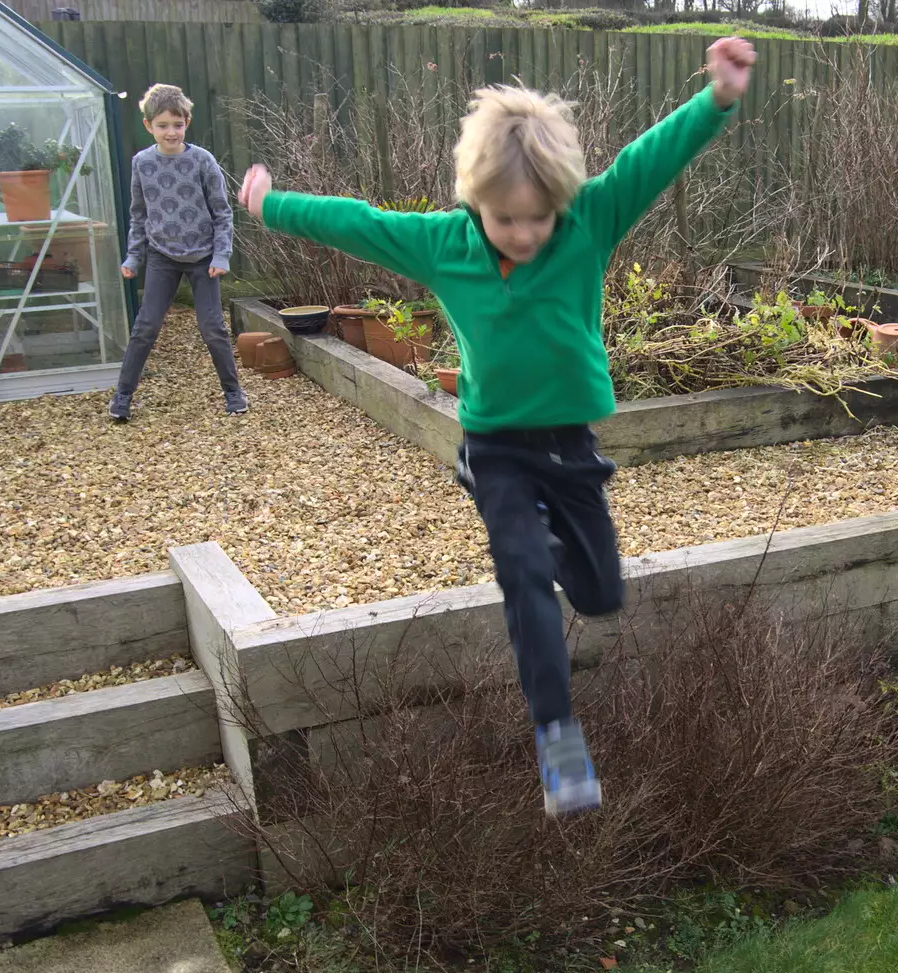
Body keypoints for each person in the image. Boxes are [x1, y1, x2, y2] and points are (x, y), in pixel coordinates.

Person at [238, 37, 757, 816]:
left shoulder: (587, 222)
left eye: (538, 219)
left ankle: (547, 544)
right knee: (521, 575)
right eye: (507, 218)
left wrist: (715, 97)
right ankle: (558, 738)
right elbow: (356, 223)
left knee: (602, 593)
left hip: (571, 448)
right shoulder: (444, 243)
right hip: (498, 449)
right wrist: (269, 204)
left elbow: (655, 157)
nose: (524, 233)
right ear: (475, 199)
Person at [109, 83, 245, 422]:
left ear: (187, 123)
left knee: (212, 326)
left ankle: (233, 391)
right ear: (148, 126)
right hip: (161, 257)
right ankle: (122, 396)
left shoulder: (202, 161)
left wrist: (220, 255)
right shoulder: (142, 163)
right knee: (146, 327)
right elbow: (138, 215)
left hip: (202, 258)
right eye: (163, 125)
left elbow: (222, 212)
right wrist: (133, 257)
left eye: (178, 124)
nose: (171, 132)